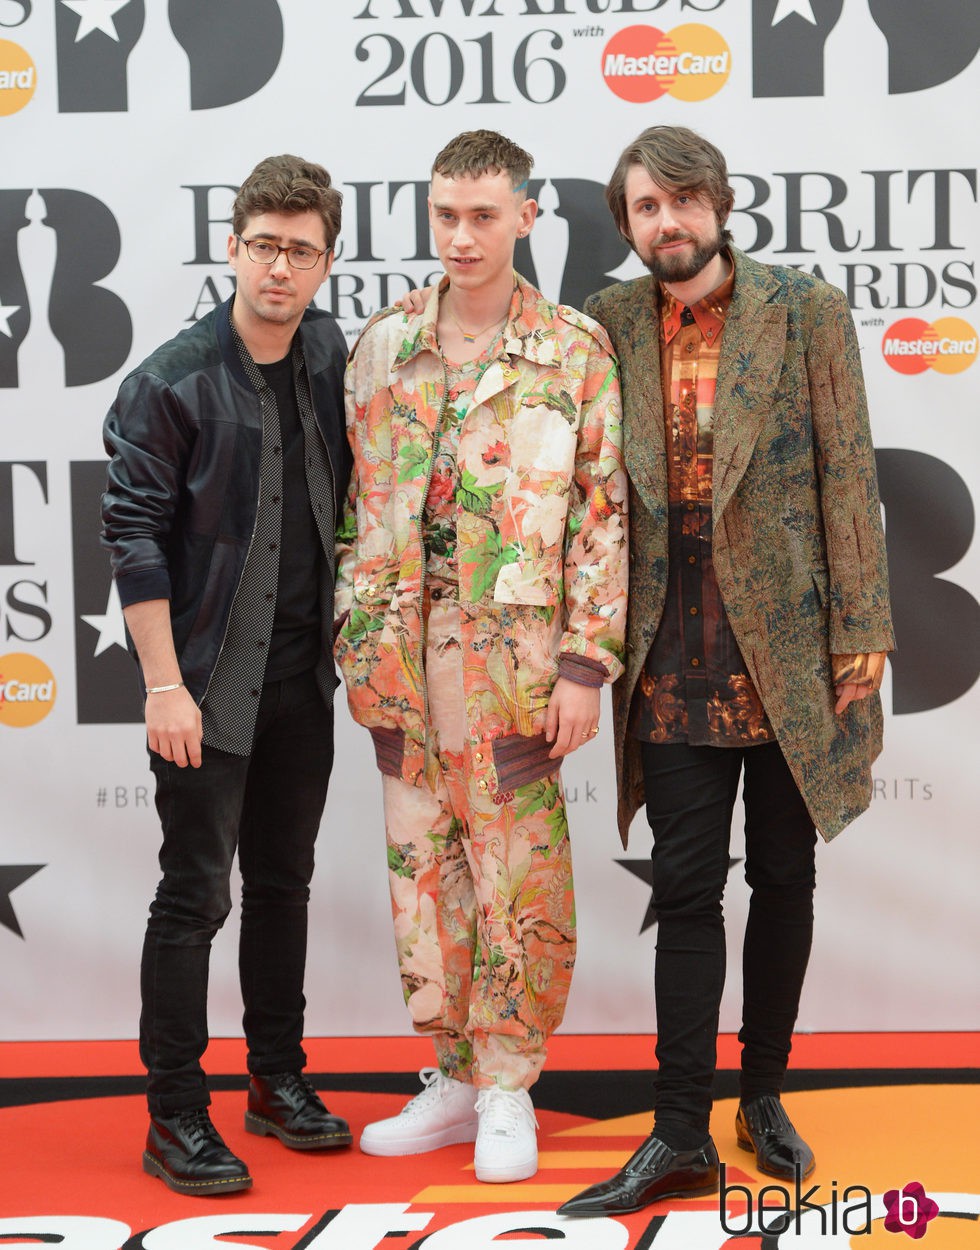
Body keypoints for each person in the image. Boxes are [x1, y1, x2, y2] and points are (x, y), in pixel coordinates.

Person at [557, 126, 894, 1217]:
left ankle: (762, 1095)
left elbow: (847, 466)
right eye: (646, 207)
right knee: (686, 889)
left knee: (785, 881)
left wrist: (864, 626)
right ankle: (674, 1130)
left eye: (683, 200)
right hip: (669, 654)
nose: (668, 221)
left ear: (719, 203)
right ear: (624, 224)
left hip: (792, 648)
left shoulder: (804, 310)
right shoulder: (603, 325)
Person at [334, 129, 627, 1184]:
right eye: (444, 215)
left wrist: (585, 663)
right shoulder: (380, 344)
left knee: (518, 871)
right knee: (424, 870)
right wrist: (356, 634)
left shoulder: (572, 349)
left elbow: (603, 513)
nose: (461, 236)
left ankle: (508, 1080)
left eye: (482, 216)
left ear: (523, 218)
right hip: (399, 663)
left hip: (514, 663)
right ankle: (451, 1074)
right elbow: (350, 506)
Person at [101, 154, 353, 1196]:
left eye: (300, 250)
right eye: (263, 245)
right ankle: (173, 1112)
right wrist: (163, 687)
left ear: (326, 261)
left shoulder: (331, 352)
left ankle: (275, 1079)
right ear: (233, 247)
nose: (279, 267)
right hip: (203, 686)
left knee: (284, 885)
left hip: (303, 676)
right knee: (195, 893)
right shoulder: (169, 379)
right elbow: (134, 537)